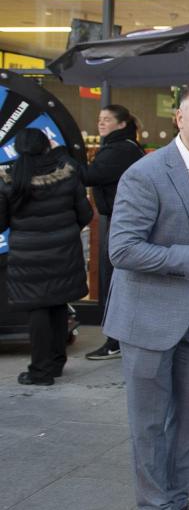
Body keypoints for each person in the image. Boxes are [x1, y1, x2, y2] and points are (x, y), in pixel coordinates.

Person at [105, 80, 189, 510]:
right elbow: (122, 249)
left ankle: (177, 499)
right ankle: (155, 504)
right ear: (179, 118)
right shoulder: (146, 173)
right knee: (149, 424)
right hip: (147, 320)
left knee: (188, 425)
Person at [0, 129, 92, 386]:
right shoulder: (66, 173)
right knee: (58, 304)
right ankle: (56, 363)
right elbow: (84, 213)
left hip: (28, 256)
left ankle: (40, 371)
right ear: (46, 146)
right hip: (64, 252)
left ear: (18, 149)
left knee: (39, 309)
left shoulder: (9, 178)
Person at [82, 104, 144, 361]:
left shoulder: (119, 150)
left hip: (121, 222)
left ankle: (116, 340)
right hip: (121, 219)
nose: (101, 123)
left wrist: (62, 159)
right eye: (99, 119)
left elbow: (89, 175)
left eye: (107, 119)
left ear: (121, 124)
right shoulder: (125, 147)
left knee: (114, 282)